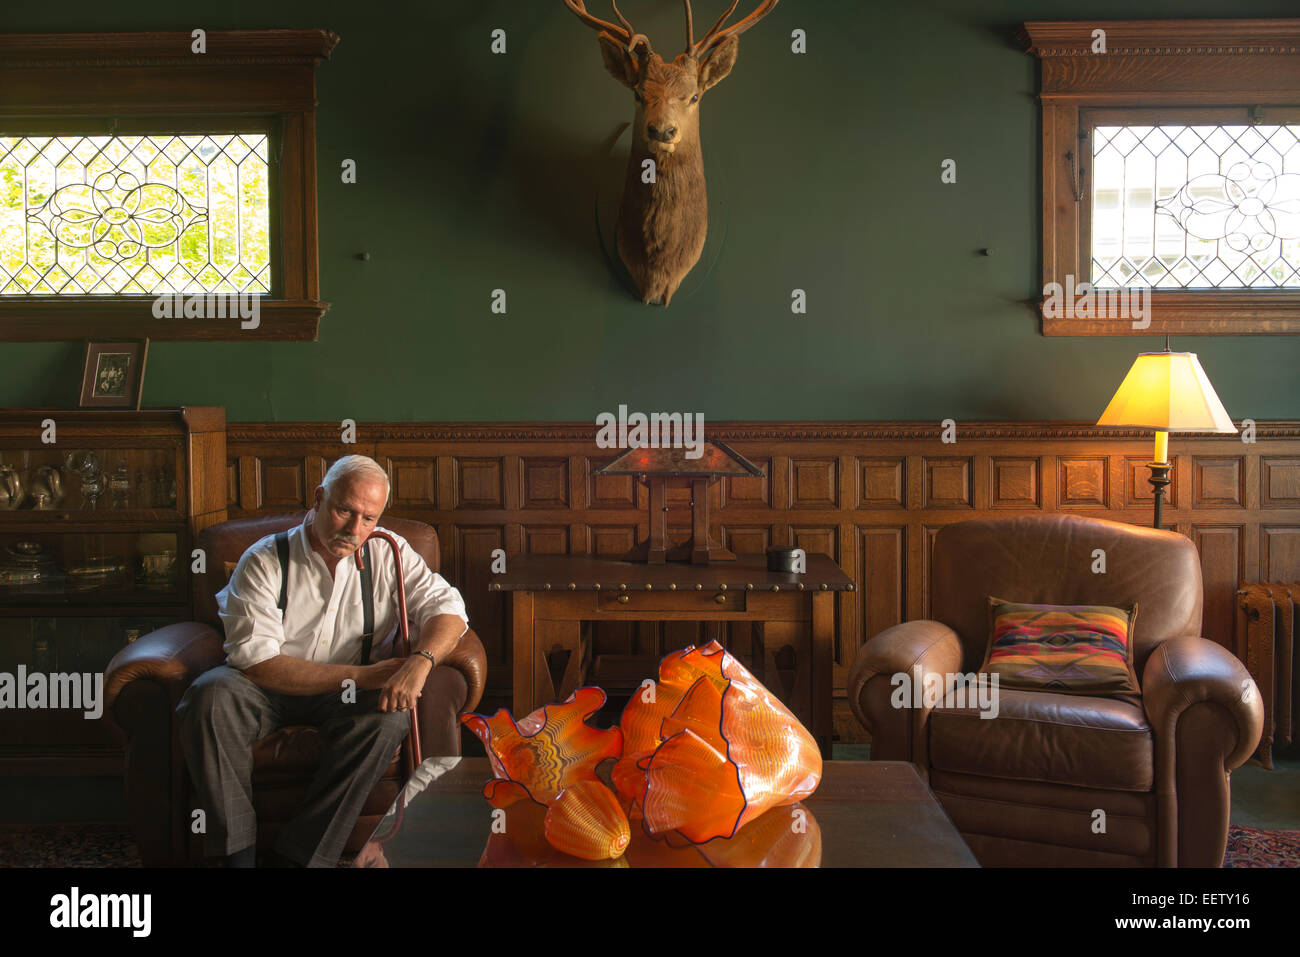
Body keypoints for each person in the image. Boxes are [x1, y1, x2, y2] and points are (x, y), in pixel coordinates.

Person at [176, 455, 469, 867]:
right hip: (266, 688)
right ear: (318, 499)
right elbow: (257, 662)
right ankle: (233, 856)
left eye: (368, 518)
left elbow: (449, 612)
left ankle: (300, 858)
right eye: (344, 510)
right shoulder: (264, 559)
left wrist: (421, 661)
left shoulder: (390, 552)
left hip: (348, 700)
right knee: (209, 697)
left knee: (390, 718)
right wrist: (363, 675)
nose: (354, 529)